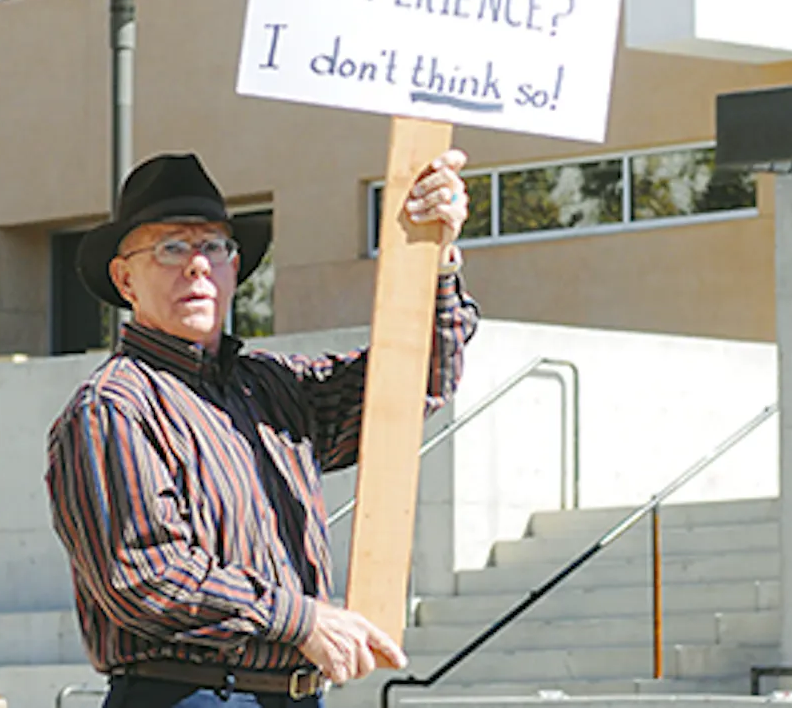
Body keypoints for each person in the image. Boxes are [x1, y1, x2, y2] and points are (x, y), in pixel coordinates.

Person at [45, 150, 477, 708]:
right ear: (125, 278)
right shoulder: (114, 407)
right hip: (184, 696)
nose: (197, 264)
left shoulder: (273, 388)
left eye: (213, 247)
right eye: (171, 247)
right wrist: (301, 620)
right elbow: (146, 576)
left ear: (233, 267)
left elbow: (412, 383)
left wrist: (433, 257)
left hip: (294, 693)